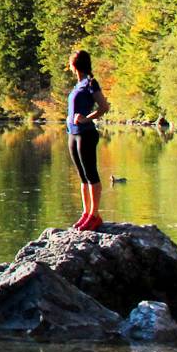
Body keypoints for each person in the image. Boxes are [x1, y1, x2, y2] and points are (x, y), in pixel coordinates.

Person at [66, 49, 110, 231]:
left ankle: (95, 215)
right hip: (73, 134)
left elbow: (103, 106)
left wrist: (86, 118)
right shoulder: (77, 85)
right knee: (83, 176)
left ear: (74, 65)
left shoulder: (90, 83)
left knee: (91, 174)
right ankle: (86, 213)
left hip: (86, 133)